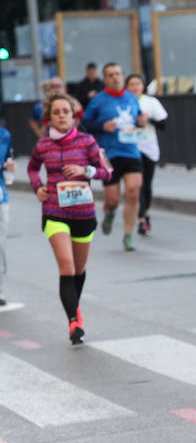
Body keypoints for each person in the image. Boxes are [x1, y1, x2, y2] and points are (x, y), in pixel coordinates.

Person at [27, 94, 110, 344]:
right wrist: (37, 187)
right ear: (49, 117)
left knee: (79, 269)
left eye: (66, 111)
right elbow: (32, 168)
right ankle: (73, 321)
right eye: (56, 112)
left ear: (74, 116)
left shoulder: (87, 141)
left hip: (83, 213)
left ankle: (75, 310)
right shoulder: (42, 145)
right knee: (67, 266)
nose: (62, 116)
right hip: (54, 211)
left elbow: (107, 172)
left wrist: (85, 170)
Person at [81, 62, 147, 252]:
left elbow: (139, 120)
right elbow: (85, 124)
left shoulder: (132, 99)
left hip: (131, 151)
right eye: (111, 75)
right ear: (105, 79)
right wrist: (102, 126)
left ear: (123, 76)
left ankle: (128, 235)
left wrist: (142, 122)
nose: (115, 77)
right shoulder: (99, 101)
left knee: (134, 192)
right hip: (108, 155)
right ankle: (110, 213)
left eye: (118, 74)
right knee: (112, 199)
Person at [125, 74, 168, 236]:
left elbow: (163, 124)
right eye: (131, 84)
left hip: (148, 146)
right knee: (137, 185)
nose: (135, 87)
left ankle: (145, 212)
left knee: (147, 183)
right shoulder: (123, 102)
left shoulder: (151, 102)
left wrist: (147, 120)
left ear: (143, 86)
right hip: (130, 148)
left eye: (138, 84)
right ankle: (141, 218)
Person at [0, 122, 14, 307]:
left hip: (0, 197)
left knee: (0, 244)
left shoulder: (4, 134)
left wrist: (9, 168)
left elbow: (8, 160)